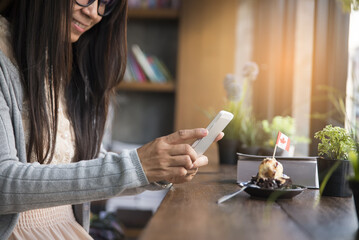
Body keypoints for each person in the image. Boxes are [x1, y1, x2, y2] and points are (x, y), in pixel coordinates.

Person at [0, 0, 223, 239]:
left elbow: (76, 160)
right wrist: (135, 166)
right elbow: (4, 182)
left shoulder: (61, 58)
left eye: (104, 2)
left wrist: (155, 171)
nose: (93, 13)